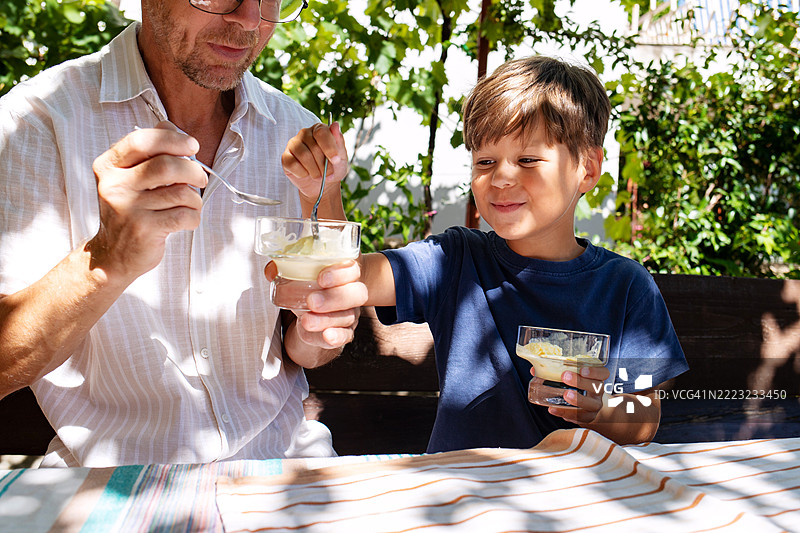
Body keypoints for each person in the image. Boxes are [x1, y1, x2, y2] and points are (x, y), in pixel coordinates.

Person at [0, 0, 366, 467]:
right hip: (116, 482)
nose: (250, 20)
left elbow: (307, 348)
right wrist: (106, 261)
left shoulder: (293, 133)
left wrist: (322, 323)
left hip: (282, 467)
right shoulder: (35, 122)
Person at [282, 55, 688, 453]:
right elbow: (345, 275)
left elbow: (644, 418)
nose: (501, 177)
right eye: (485, 161)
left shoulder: (626, 286)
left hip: (569, 500)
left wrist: (601, 407)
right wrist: (322, 190)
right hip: (460, 494)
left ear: (588, 168)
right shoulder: (454, 260)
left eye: (528, 160)